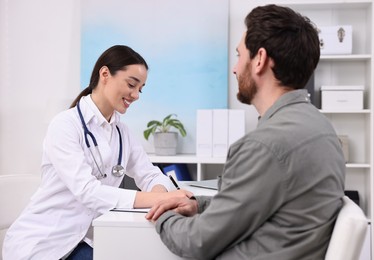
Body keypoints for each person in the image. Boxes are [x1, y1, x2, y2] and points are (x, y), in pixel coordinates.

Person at [146, 4, 345, 260]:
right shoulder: (321, 128)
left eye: (239, 55)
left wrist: (162, 213)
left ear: (259, 59)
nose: (235, 68)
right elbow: (259, 206)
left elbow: (196, 241)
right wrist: (198, 204)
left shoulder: (265, 145)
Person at [2, 45, 192, 260]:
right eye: (131, 84)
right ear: (105, 74)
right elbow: (87, 191)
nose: (137, 95)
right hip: (44, 242)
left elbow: (150, 174)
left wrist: (159, 195)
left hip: (86, 240)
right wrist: (156, 200)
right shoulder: (65, 125)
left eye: (141, 88)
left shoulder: (122, 132)